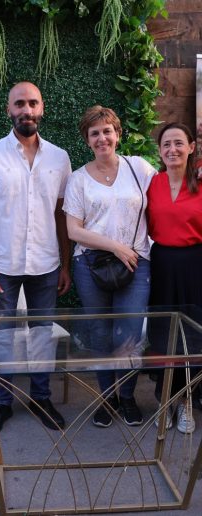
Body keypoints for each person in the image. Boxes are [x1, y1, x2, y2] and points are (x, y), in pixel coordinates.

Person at [0, 81, 72, 432]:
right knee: (1, 336)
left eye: (32, 103)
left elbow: (61, 215)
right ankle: (1, 402)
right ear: (8, 109)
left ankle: (41, 398)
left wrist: (65, 264)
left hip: (46, 263)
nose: (26, 110)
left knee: (42, 333)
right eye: (19, 104)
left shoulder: (59, 158)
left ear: (42, 108)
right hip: (2, 264)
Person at [64, 105, 155, 428]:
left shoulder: (139, 168)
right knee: (100, 333)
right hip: (91, 265)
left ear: (117, 134)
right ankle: (106, 398)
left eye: (107, 131)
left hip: (136, 262)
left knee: (129, 331)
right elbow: (73, 231)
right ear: (87, 140)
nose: (102, 138)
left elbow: (168, 190)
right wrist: (116, 246)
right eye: (94, 133)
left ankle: (127, 396)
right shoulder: (78, 179)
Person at [147, 122, 202, 434]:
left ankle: (186, 401)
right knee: (163, 332)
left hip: (196, 263)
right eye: (166, 144)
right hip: (162, 263)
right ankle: (163, 398)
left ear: (191, 147)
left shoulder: (200, 181)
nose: (173, 149)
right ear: (159, 151)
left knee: (192, 334)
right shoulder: (151, 182)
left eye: (179, 143)